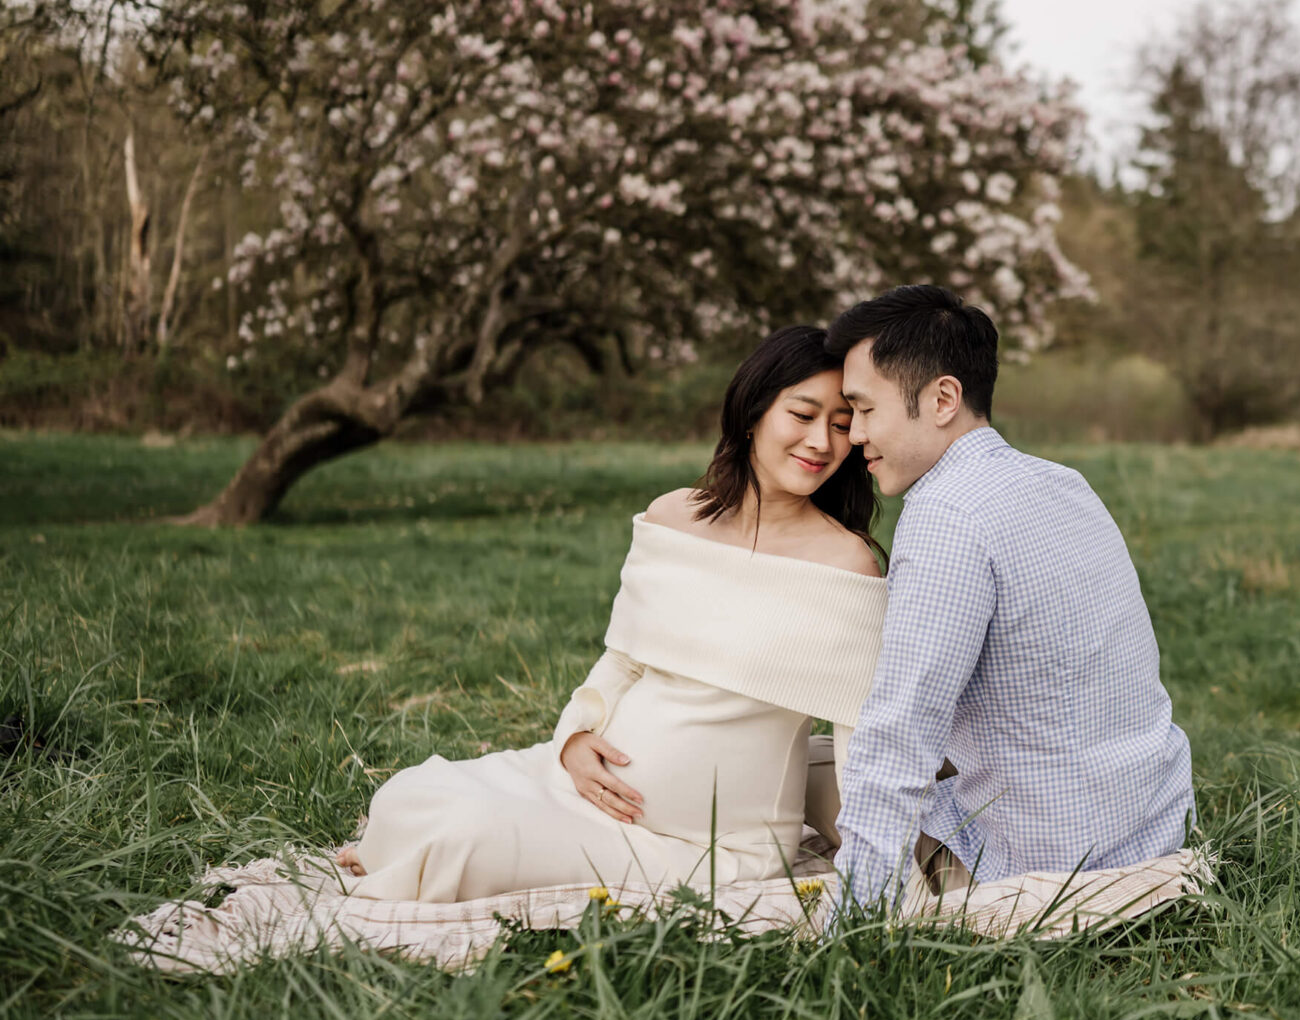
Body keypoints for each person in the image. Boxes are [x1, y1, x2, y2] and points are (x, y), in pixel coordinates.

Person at [334, 326, 888, 902]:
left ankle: (413, 854)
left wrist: (875, 869)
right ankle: (416, 843)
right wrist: (573, 740)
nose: (821, 440)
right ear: (753, 411)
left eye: (842, 425)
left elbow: (860, 733)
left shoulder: (844, 563)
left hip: (711, 846)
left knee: (457, 838)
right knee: (407, 794)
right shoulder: (675, 517)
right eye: (801, 415)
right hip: (580, 791)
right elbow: (623, 660)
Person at [825, 285, 1195, 916]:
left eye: (863, 409)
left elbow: (902, 731)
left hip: (1043, 860)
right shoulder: (1062, 482)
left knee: (836, 761)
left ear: (943, 398)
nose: (853, 435)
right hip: (1151, 826)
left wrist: (851, 920)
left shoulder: (945, 513)